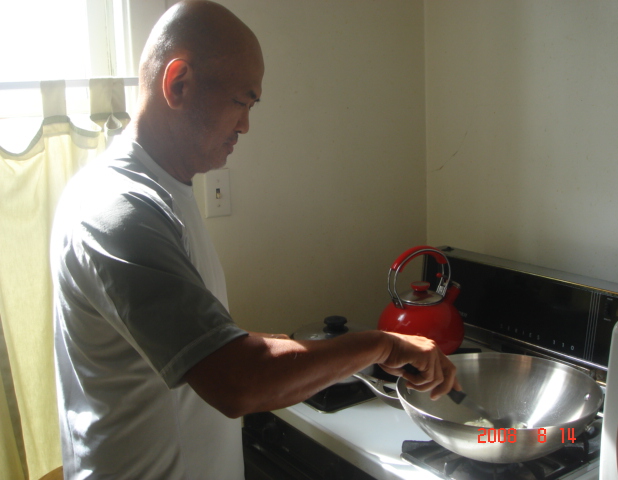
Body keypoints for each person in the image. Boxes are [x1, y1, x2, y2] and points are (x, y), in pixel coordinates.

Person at [50, 1, 460, 479]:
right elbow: (236, 382)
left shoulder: (162, 193)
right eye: (241, 101)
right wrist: (381, 346)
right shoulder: (118, 208)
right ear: (178, 83)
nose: (246, 124)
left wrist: (278, 346)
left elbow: (191, 344)